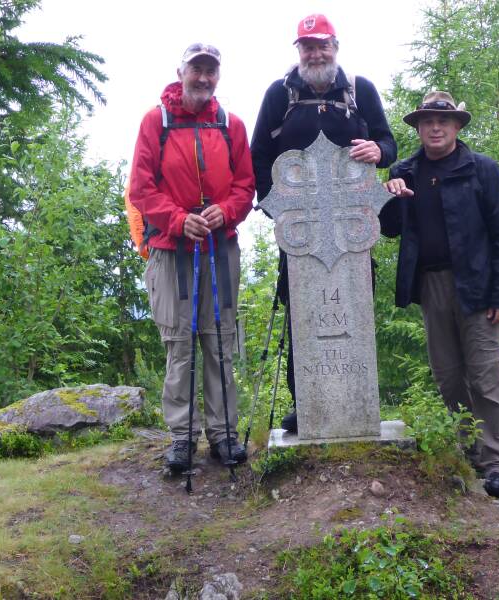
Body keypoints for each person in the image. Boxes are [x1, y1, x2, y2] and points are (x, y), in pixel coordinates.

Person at [251, 14, 398, 433]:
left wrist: (379, 151)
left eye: (322, 45)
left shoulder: (359, 90)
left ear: (335, 46)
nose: (315, 53)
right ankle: (308, 403)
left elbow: (389, 144)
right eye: (307, 46)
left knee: (353, 306)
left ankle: (357, 397)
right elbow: (258, 153)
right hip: (301, 223)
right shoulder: (279, 93)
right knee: (301, 311)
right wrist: (277, 209)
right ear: (298, 51)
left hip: (352, 222)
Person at [380, 90, 499, 499]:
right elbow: (389, 229)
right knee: (448, 375)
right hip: (431, 285)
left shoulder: (483, 169)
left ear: (457, 126)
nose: (435, 128)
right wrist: (389, 196)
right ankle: (471, 451)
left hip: (478, 285)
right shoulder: (405, 171)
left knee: (486, 374)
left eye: (443, 121)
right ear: (418, 128)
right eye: (427, 121)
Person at [128, 43, 255, 470]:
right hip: (172, 250)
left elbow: (245, 186)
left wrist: (227, 211)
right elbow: (141, 189)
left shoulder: (231, 125)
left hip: (219, 246)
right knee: (179, 344)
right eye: (196, 69)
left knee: (219, 341)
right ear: (181, 71)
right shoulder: (156, 122)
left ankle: (223, 434)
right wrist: (179, 220)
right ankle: (182, 437)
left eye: (210, 71)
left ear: (218, 76)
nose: (203, 77)